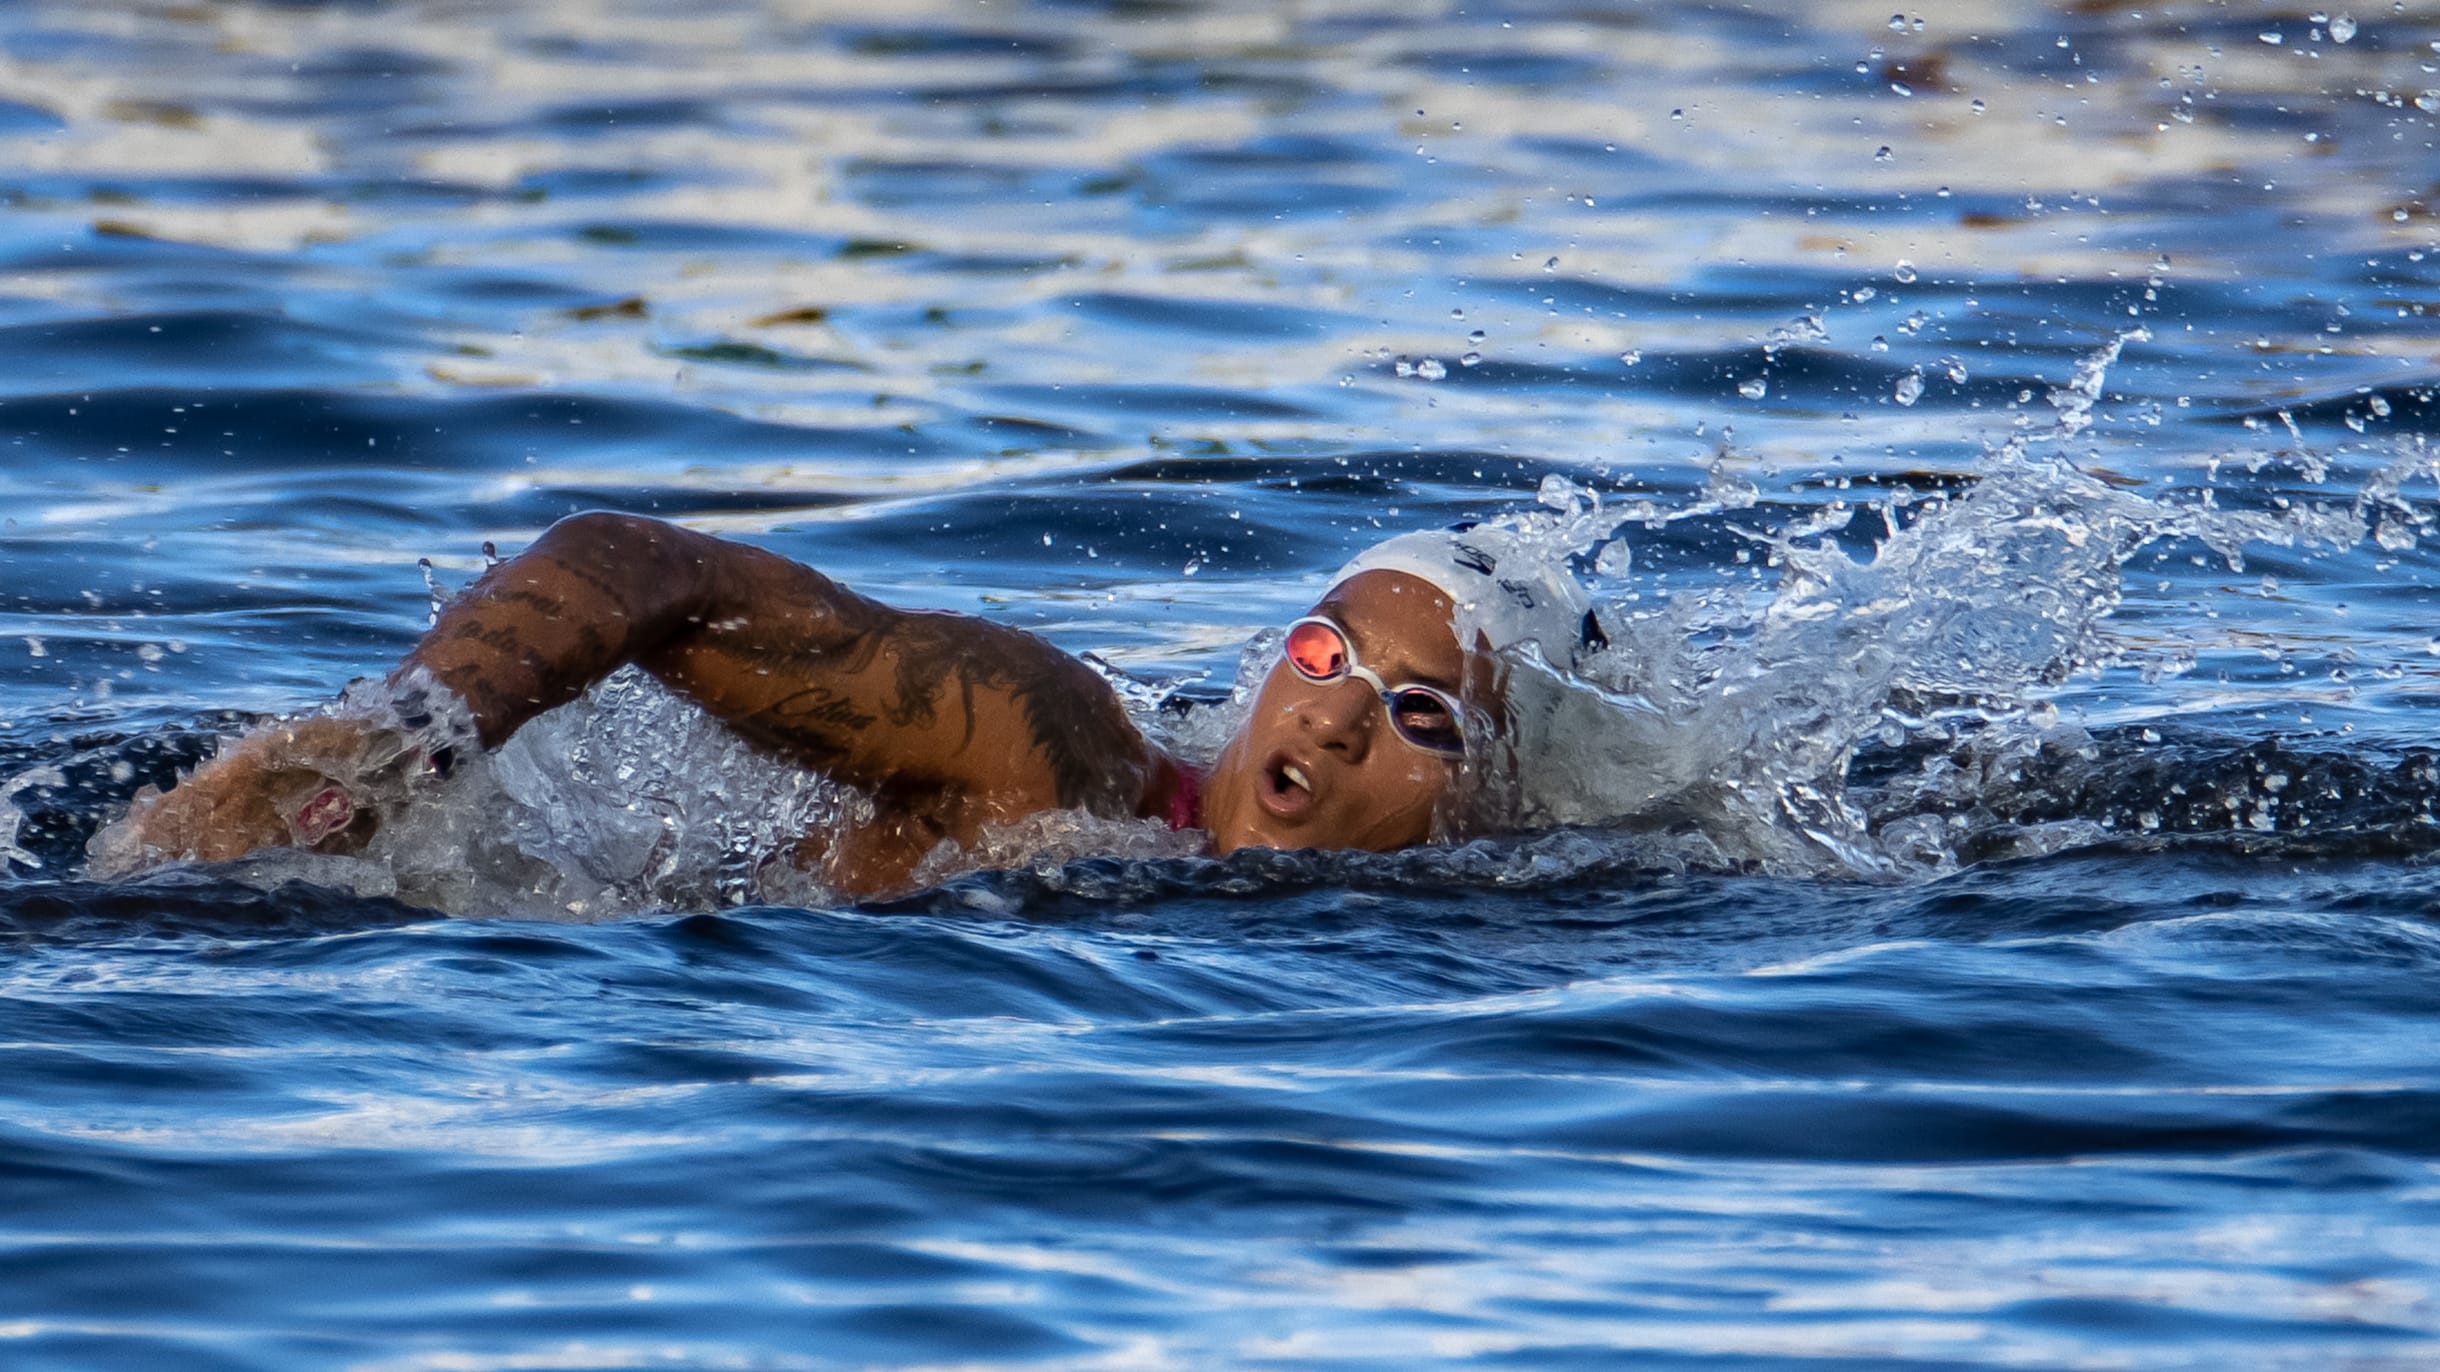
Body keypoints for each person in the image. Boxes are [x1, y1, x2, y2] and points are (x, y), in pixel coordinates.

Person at [105, 512, 1592, 898]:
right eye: (1325, 660)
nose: (1333, 723)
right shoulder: (1055, 756)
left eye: (1425, 719)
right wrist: (402, 748)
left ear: (1499, 802)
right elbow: (632, 565)